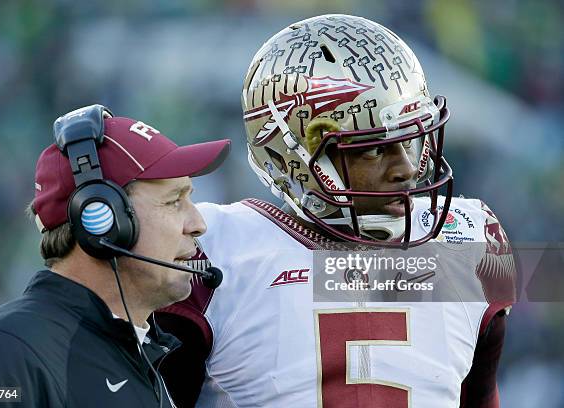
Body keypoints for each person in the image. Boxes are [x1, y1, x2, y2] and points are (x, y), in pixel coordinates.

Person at [153, 15, 516, 408]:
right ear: (295, 154)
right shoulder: (210, 249)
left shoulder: (469, 236)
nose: (406, 168)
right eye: (374, 148)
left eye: (411, 139)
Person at [0, 104, 230, 407]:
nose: (198, 224)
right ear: (103, 220)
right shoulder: (3, 357)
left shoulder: (142, 358)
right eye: (174, 201)